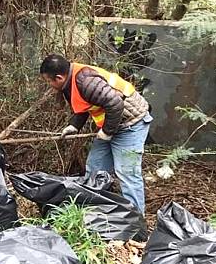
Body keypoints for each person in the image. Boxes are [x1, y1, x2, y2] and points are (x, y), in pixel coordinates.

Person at [39, 54, 152, 213]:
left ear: (59, 77)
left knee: (127, 174)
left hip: (131, 124)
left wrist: (106, 133)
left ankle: (136, 221)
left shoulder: (86, 81)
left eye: (49, 81)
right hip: (113, 124)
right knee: (95, 168)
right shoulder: (72, 80)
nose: (49, 85)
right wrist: (74, 125)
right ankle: (97, 212)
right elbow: (87, 103)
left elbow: (115, 104)